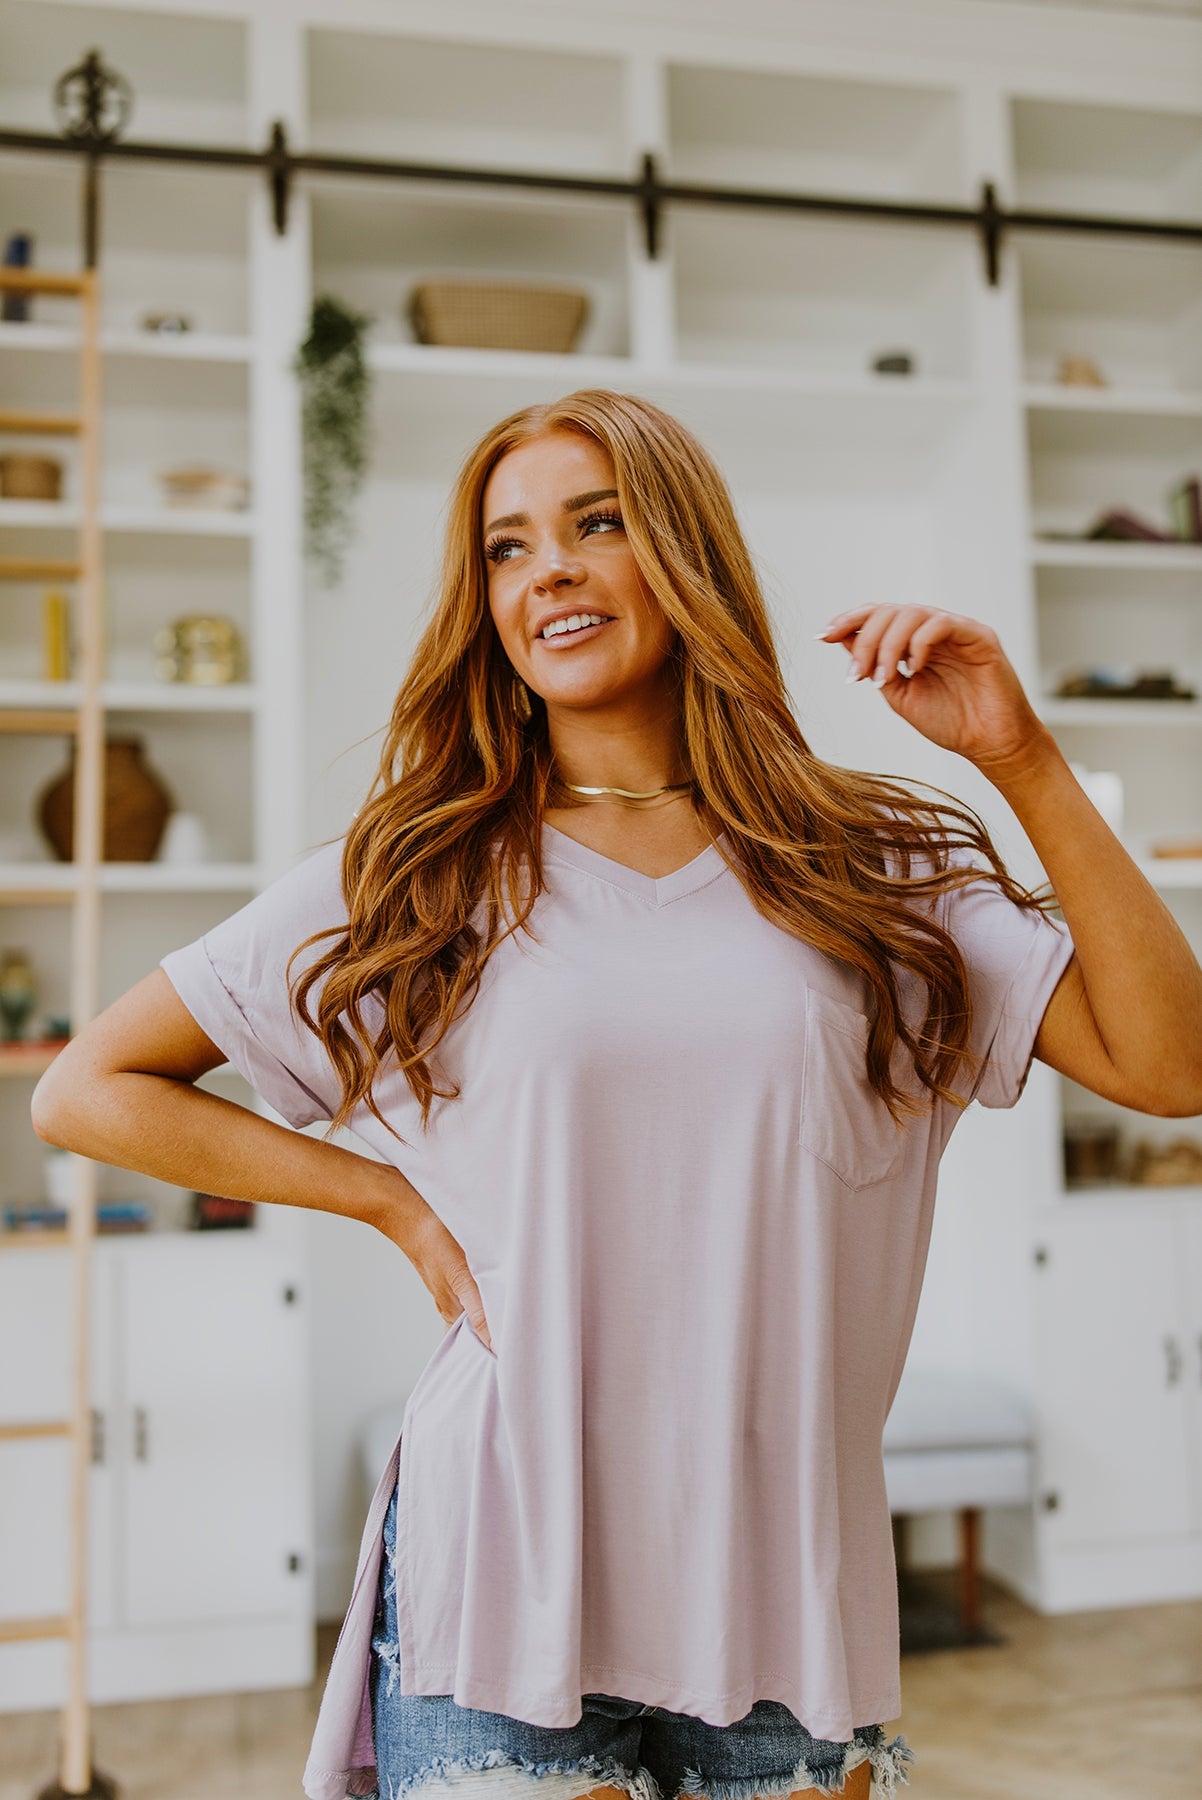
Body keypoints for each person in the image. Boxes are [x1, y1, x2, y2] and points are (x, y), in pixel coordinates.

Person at [31, 390, 1202, 1800]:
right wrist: (387, 1201)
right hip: (500, 1578)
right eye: (509, 549)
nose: (554, 572)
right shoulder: (422, 868)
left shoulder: (869, 861)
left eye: (599, 524)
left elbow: (1167, 1065)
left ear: (687, 557)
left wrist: (1017, 757)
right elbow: (90, 1087)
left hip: (790, 1598)